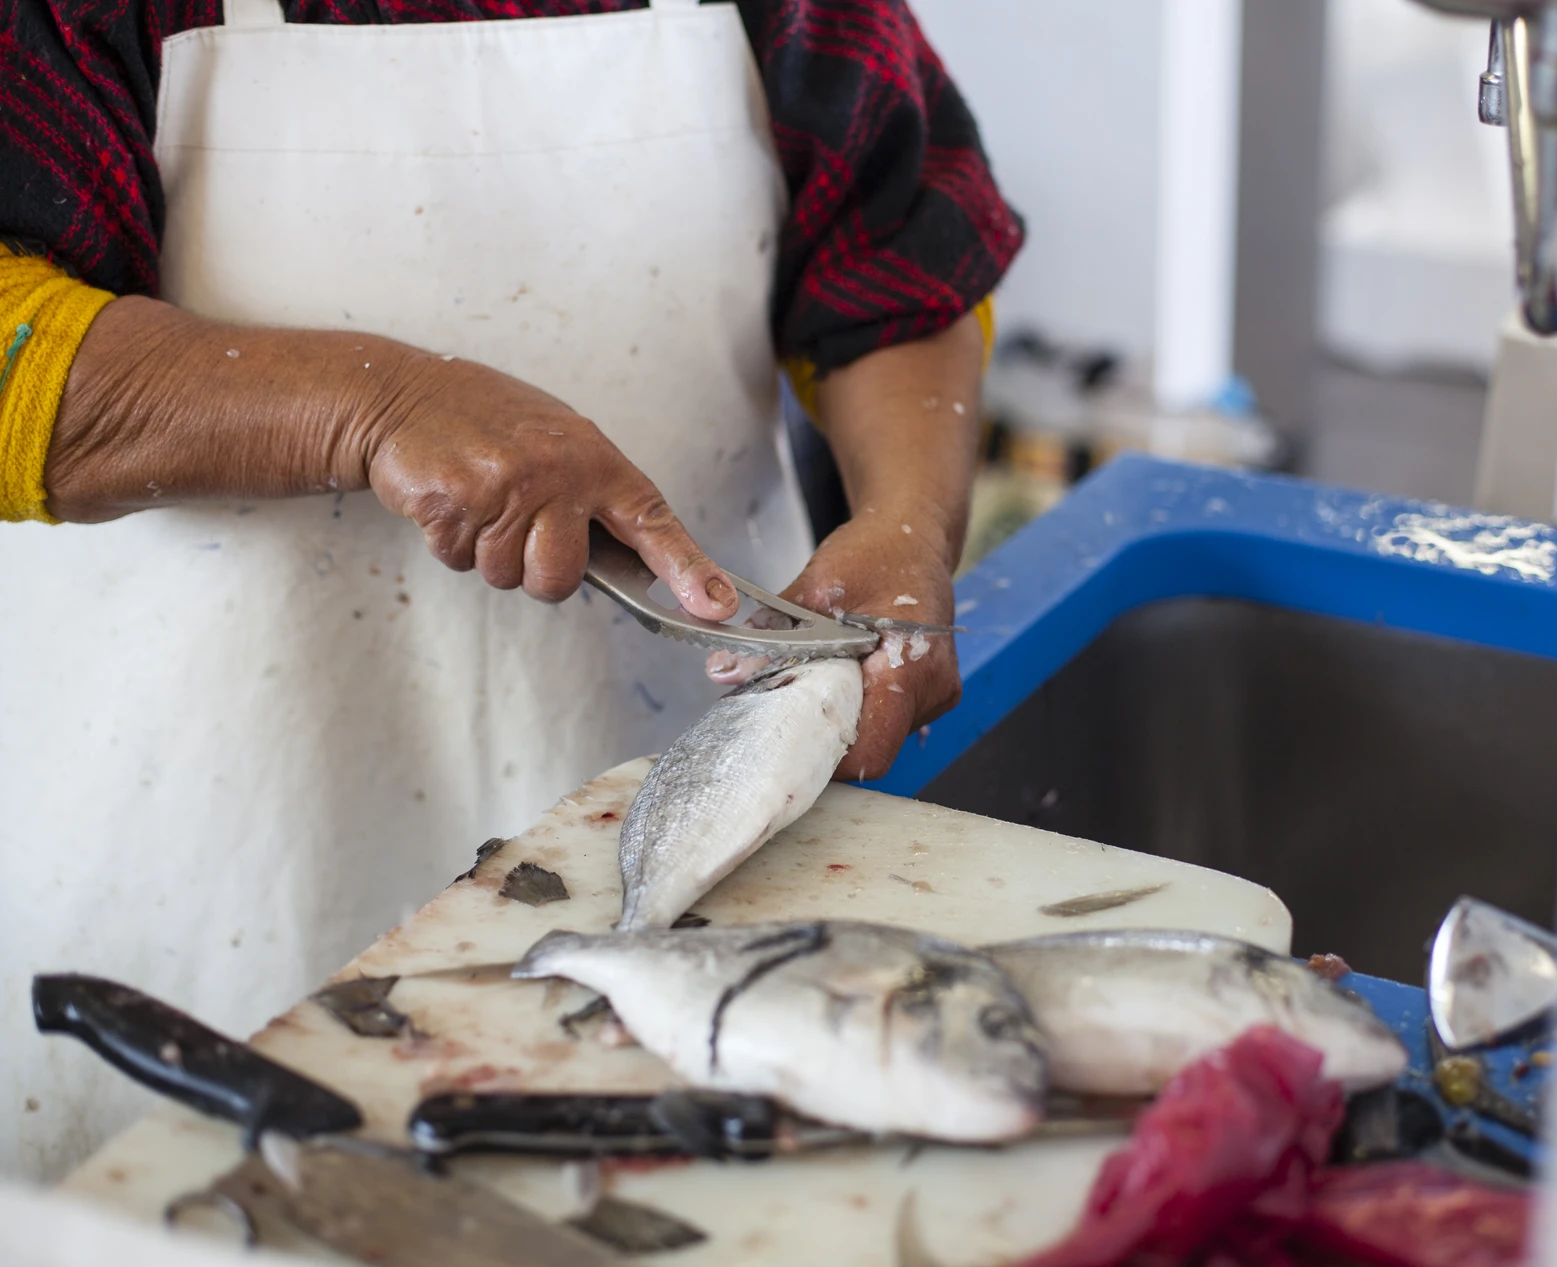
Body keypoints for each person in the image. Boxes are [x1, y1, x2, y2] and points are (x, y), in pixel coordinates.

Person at [0, 0, 1019, 1176]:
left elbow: (899, 263)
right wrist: (370, 405)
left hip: (685, 846)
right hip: (191, 888)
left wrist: (903, 519)